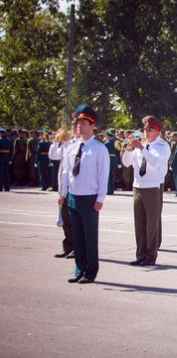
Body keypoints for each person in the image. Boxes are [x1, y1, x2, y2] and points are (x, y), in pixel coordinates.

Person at [59, 104, 110, 284]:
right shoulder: (72, 147)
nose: (79, 126)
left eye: (83, 123)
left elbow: (103, 175)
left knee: (89, 237)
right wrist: (63, 193)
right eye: (77, 123)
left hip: (89, 197)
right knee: (77, 238)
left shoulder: (98, 148)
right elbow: (66, 172)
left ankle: (90, 272)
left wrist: (100, 198)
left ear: (92, 126)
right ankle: (79, 270)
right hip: (73, 196)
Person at [121, 116, 170, 266]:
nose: (146, 131)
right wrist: (128, 148)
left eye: (149, 129)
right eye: (145, 129)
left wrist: (141, 148)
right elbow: (126, 162)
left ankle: (150, 256)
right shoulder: (140, 145)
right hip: (138, 186)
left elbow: (154, 162)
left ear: (157, 131)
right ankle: (140, 255)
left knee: (152, 225)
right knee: (139, 224)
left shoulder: (162, 146)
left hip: (152, 187)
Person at [49, 122, 79, 259]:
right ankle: (68, 247)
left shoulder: (77, 145)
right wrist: (56, 140)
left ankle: (77, 248)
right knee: (65, 220)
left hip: (74, 188)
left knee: (74, 221)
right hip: (63, 187)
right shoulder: (66, 145)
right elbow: (53, 155)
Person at [104, 129, 120, 195]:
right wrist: (118, 162)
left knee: (108, 175)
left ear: (107, 136)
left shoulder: (106, 143)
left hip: (108, 159)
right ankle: (111, 189)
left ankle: (109, 190)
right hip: (114, 159)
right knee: (112, 175)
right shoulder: (115, 143)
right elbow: (117, 153)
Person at [0, 127, 13, 191]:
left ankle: (0, 187)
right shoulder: (9, 140)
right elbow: (11, 151)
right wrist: (10, 159)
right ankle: (7, 187)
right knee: (6, 173)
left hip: (1, 158)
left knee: (1, 173)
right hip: (7, 158)